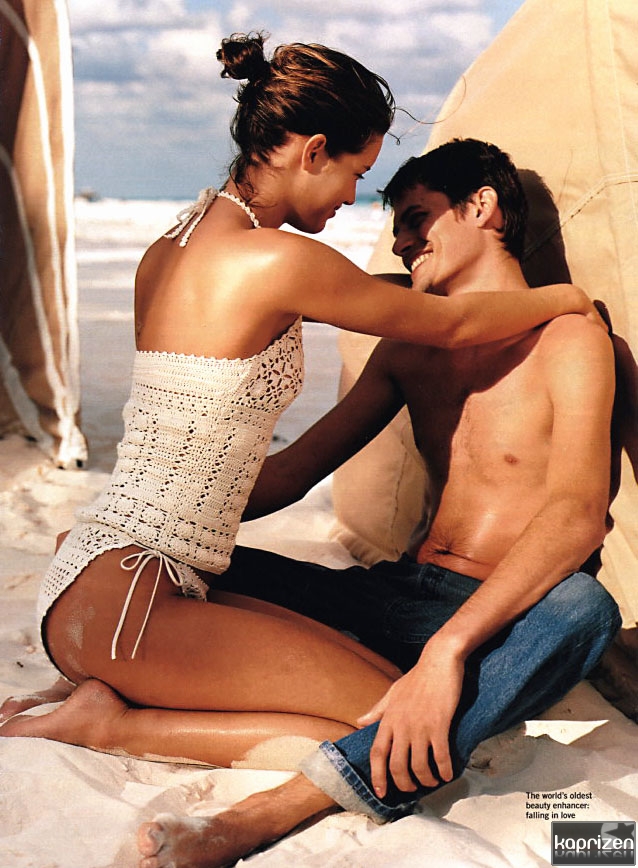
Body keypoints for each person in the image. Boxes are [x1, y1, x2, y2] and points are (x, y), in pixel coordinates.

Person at [0, 31, 608, 860]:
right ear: (313, 151)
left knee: (462, 671)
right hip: (139, 600)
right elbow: (449, 321)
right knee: (395, 721)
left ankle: (112, 696)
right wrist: (570, 298)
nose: (355, 201)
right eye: (356, 174)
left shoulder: (171, 250)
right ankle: (115, 724)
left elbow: (221, 462)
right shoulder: (281, 261)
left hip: (98, 580)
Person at [127, 138, 619, 867]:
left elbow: (578, 517)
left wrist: (448, 651)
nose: (400, 242)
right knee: (166, 567)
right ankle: (108, 710)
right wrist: (144, 512)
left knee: (585, 610)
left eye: (417, 218)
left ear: (481, 207)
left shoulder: (569, 339)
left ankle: (271, 812)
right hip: (393, 598)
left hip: (504, 618)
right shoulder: (409, 348)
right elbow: (291, 475)